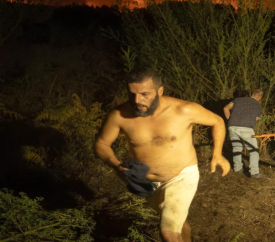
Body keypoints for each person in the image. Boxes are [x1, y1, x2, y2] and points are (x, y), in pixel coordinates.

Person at [95, 67, 230, 242]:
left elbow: (217, 121)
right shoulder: (120, 115)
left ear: (160, 91)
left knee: (168, 232)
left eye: (144, 94)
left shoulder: (184, 110)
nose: (137, 100)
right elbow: (102, 144)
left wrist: (217, 154)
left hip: (182, 175)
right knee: (177, 224)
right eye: (132, 94)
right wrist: (116, 165)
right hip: (147, 183)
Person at [223, 88, 264, 178]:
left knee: (237, 148)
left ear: (251, 94)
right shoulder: (258, 106)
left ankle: (237, 169)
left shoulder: (237, 100)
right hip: (246, 128)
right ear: (260, 96)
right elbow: (256, 119)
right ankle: (254, 172)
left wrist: (229, 120)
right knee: (253, 151)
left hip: (232, 127)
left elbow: (225, 108)